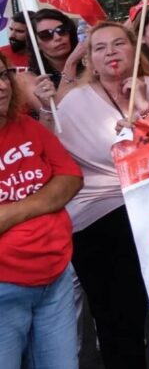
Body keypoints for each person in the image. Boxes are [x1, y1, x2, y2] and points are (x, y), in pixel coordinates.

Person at [47, 22, 149, 368]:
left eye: (119, 44)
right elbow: (55, 155)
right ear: (89, 60)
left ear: (135, 49)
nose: (110, 52)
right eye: (100, 47)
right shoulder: (75, 102)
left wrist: (144, 110)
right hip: (102, 214)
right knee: (117, 320)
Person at [0, 51, 83, 368]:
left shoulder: (27, 128)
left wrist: (10, 214)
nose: (1, 87)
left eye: (3, 75)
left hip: (55, 279)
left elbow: (71, 179)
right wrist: (46, 199)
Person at [20, 9, 86, 113]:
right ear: (36, 44)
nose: (58, 37)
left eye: (61, 30)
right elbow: (58, 115)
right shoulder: (29, 79)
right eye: (46, 35)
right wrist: (71, 63)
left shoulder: (89, 66)